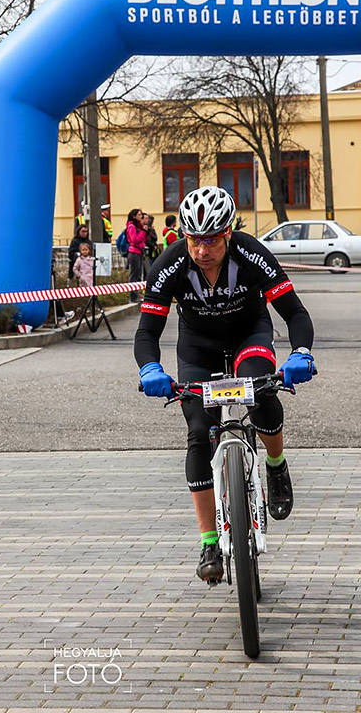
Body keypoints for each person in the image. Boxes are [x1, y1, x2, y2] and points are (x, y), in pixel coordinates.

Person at [135, 186, 315, 584]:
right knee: (199, 432)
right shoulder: (169, 264)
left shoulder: (251, 253)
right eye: (194, 239)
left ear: (228, 232)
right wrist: (150, 368)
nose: (202, 250)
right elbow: (147, 331)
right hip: (198, 347)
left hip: (249, 334)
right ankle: (208, 542)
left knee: (262, 392)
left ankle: (275, 465)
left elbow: (295, 312)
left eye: (211, 240)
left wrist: (301, 352)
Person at [126, 208, 147, 303]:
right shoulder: (131, 226)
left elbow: (143, 239)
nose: (141, 217)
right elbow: (134, 239)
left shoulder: (138, 226)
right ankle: (133, 296)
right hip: (134, 252)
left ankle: (137, 294)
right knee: (134, 275)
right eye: (139, 215)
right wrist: (142, 231)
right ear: (134, 216)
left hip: (139, 252)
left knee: (138, 275)